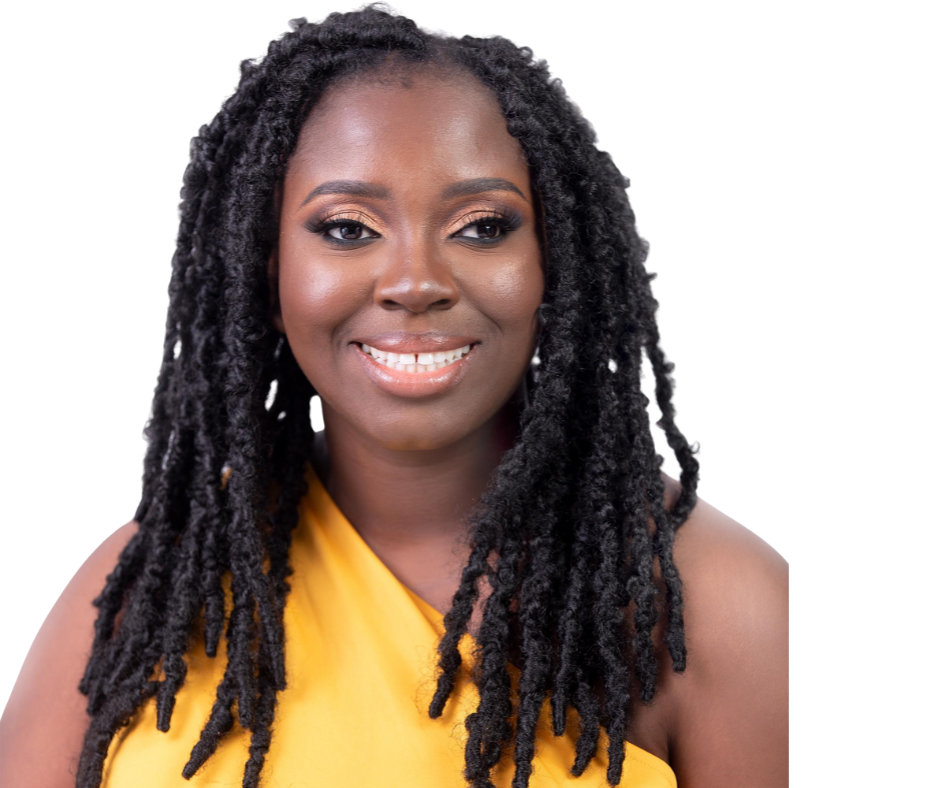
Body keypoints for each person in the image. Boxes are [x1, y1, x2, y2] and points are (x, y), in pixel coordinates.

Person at [0, 5, 788, 787]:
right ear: (267, 274)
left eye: (482, 226)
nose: (416, 283)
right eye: (346, 228)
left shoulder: (718, 603)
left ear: (558, 270)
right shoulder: (154, 584)